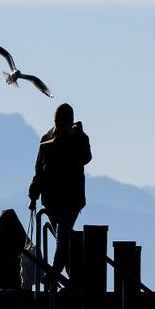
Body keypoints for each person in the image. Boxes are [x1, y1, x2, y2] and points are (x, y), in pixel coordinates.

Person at [28, 103, 93, 278]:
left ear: (70, 121)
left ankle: (55, 271)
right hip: (51, 198)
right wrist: (34, 194)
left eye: (63, 122)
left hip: (72, 198)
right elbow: (39, 170)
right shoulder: (46, 138)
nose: (60, 126)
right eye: (57, 121)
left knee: (62, 235)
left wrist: (75, 137)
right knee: (63, 238)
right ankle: (74, 278)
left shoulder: (79, 137)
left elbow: (86, 158)